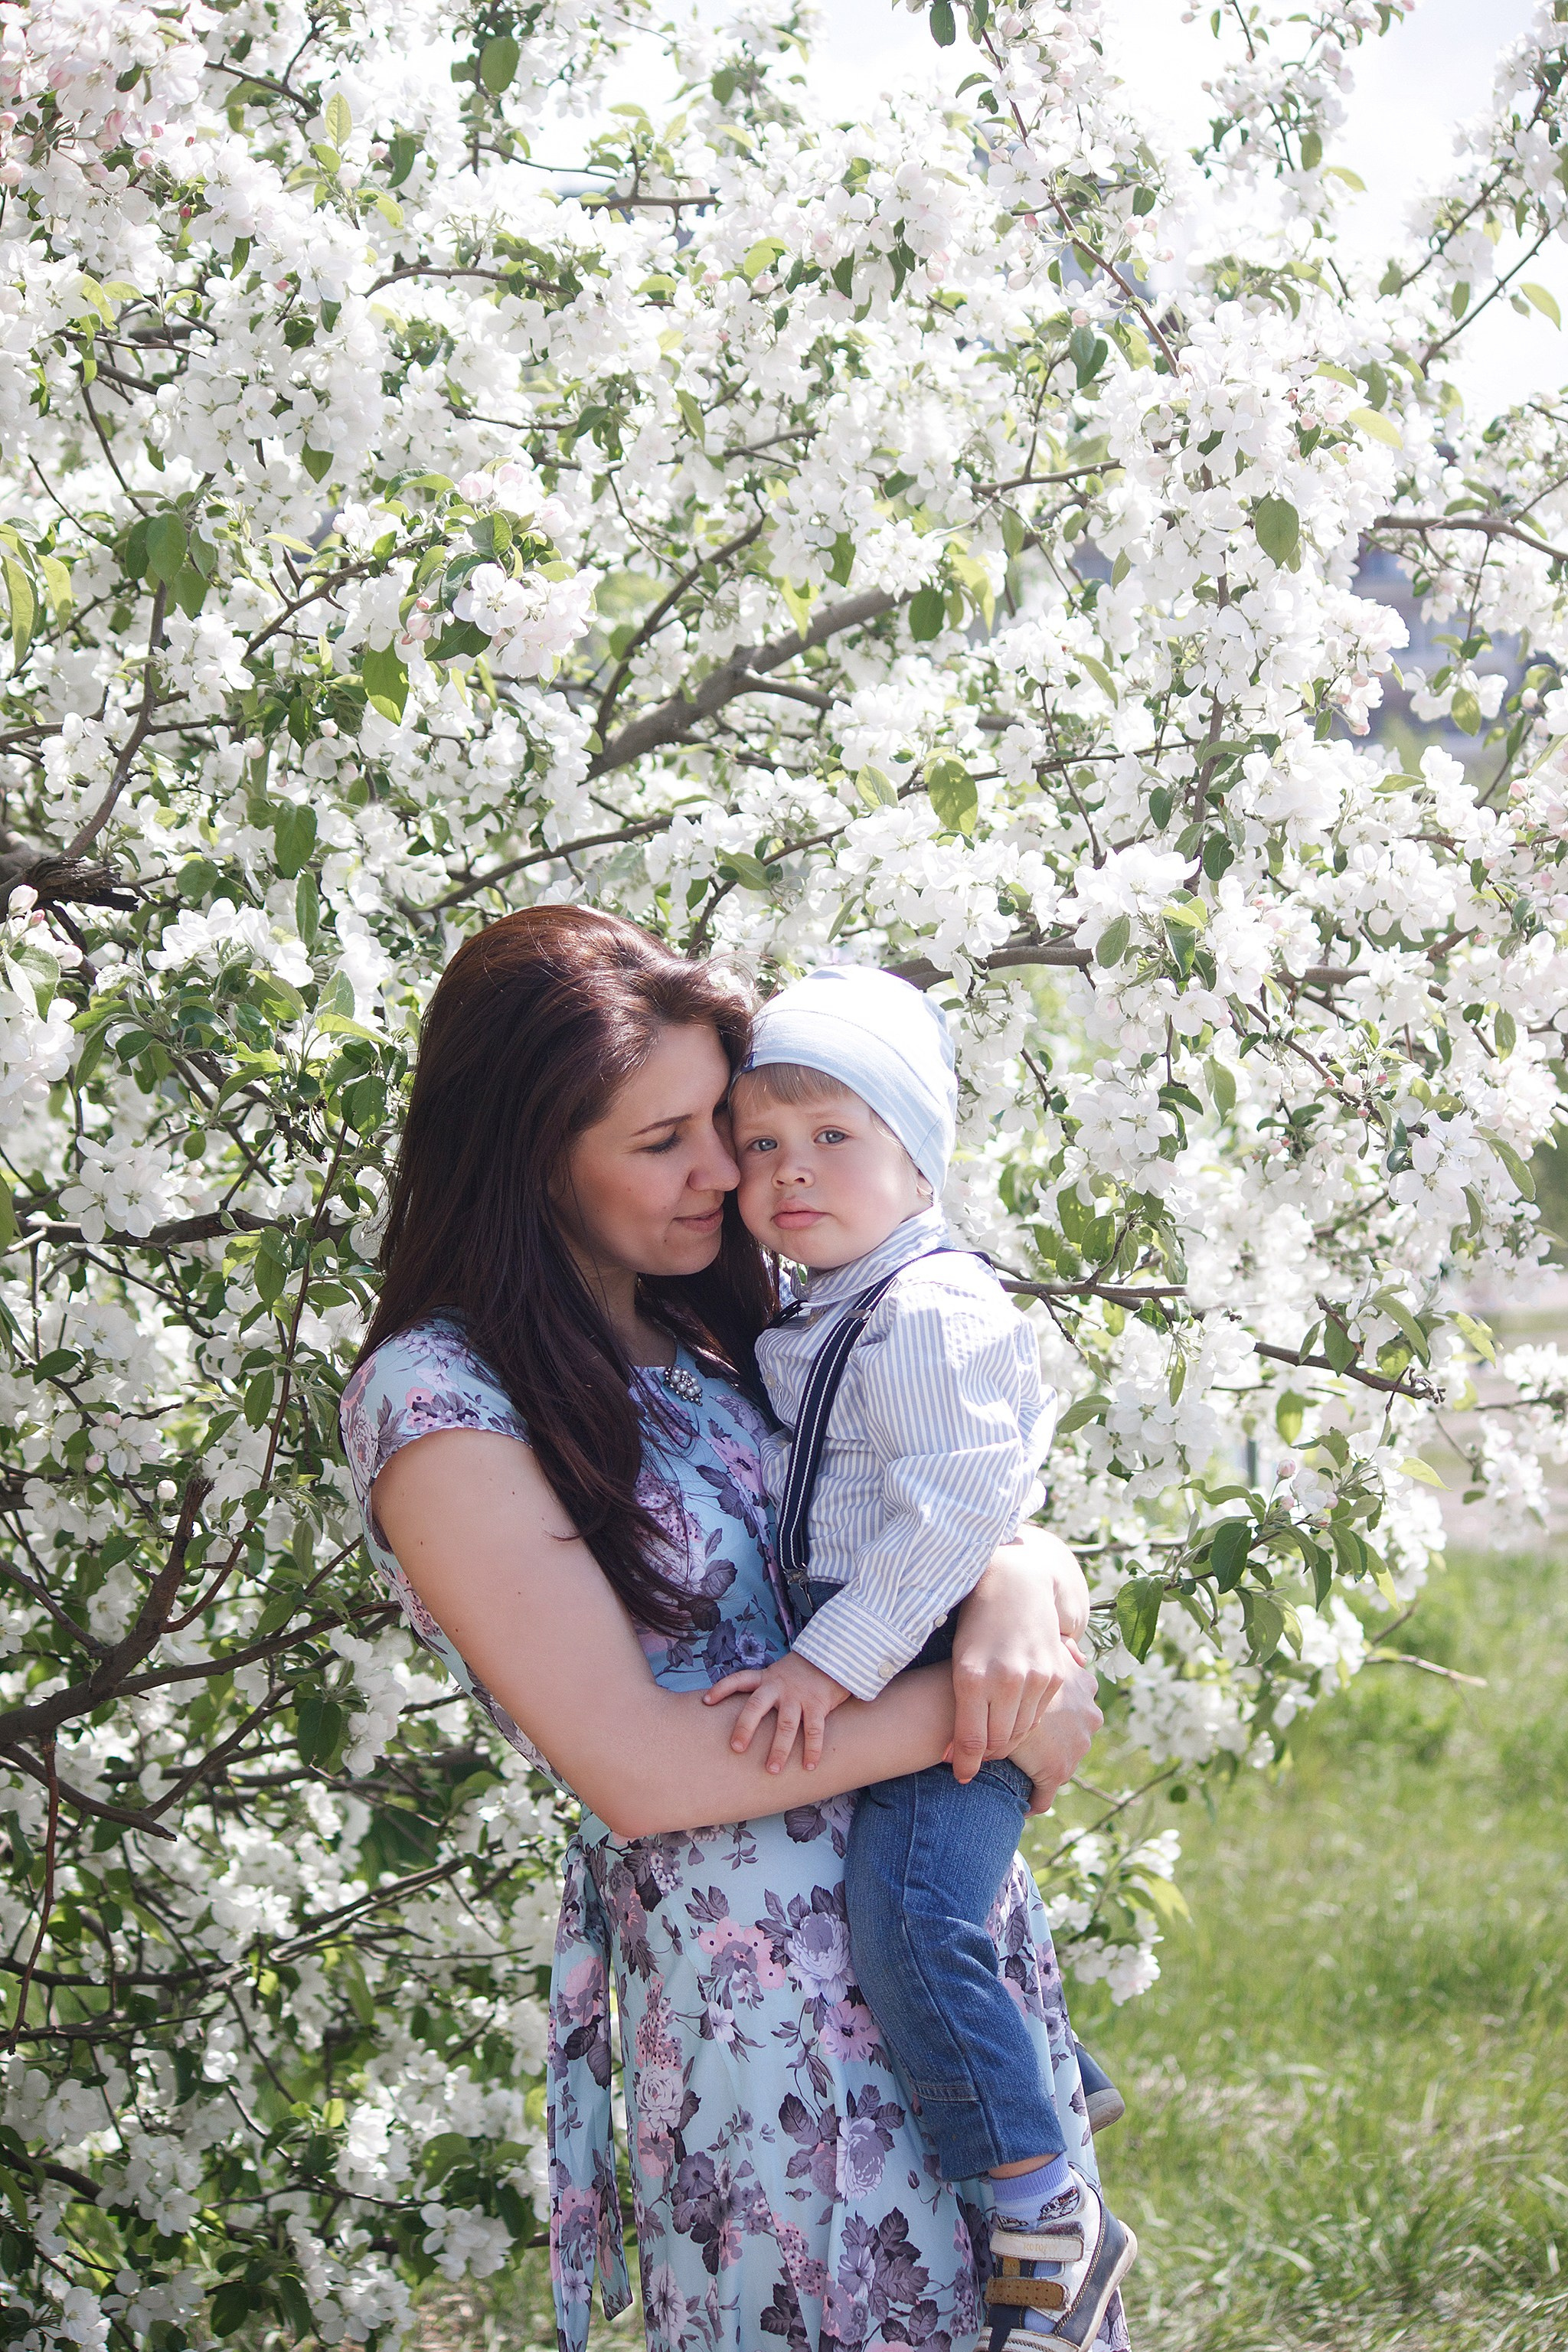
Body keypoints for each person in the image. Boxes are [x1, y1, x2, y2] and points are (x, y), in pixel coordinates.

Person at [337, 906, 1126, 2352]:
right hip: (765, 2016)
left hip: (935, 1951)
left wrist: (1027, 1577)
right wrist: (984, 1709)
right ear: (527, 1153)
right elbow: (639, 1768)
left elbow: (928, 1494)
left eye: (734, 1123)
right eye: (664, 1141)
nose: (729, 1173)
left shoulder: (719, 1328)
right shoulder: (442, 1404)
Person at [715, 968, 1135, 2352]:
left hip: (924, 1656)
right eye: (762, 1144)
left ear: (918, 1155)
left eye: (834, 1137)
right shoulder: (841, 1298)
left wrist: (830, 1666)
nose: (790, 1172)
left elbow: (961, 1508)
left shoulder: (926, 1309)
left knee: (911, 1920)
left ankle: (1043, 2207)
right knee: (909, 1909)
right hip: (904, 1647)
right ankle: (1055, 2071)